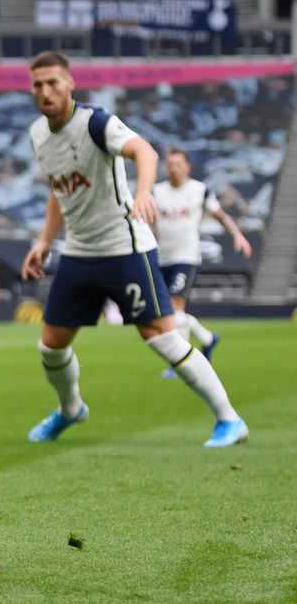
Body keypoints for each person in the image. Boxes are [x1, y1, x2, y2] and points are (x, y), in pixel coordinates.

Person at [19, 52, 248, 448]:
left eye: (53, 82)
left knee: (162, 337)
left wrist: (143, 191)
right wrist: (43, 240)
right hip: (78, 252)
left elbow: (145, 151)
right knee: (51, 345)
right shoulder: (38, 134)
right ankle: (71, 410)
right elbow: (59, 190)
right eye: (38, 84)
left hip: (125, 248)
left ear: (70, 84)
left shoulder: (96, 122)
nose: (45, 91)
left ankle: (229, 419)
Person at [153, 148, 252, 376]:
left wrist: (237, 235)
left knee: (175, 309)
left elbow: (221, 216)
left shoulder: (199, 190)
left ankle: (179, 363)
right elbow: (149, 223)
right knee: (167, 312)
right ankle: (208, 338)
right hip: (162, 257)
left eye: (178, 164)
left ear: (187, 166)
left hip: (186, 257)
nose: (173, 168)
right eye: (170, 164)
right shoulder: (157, 192)